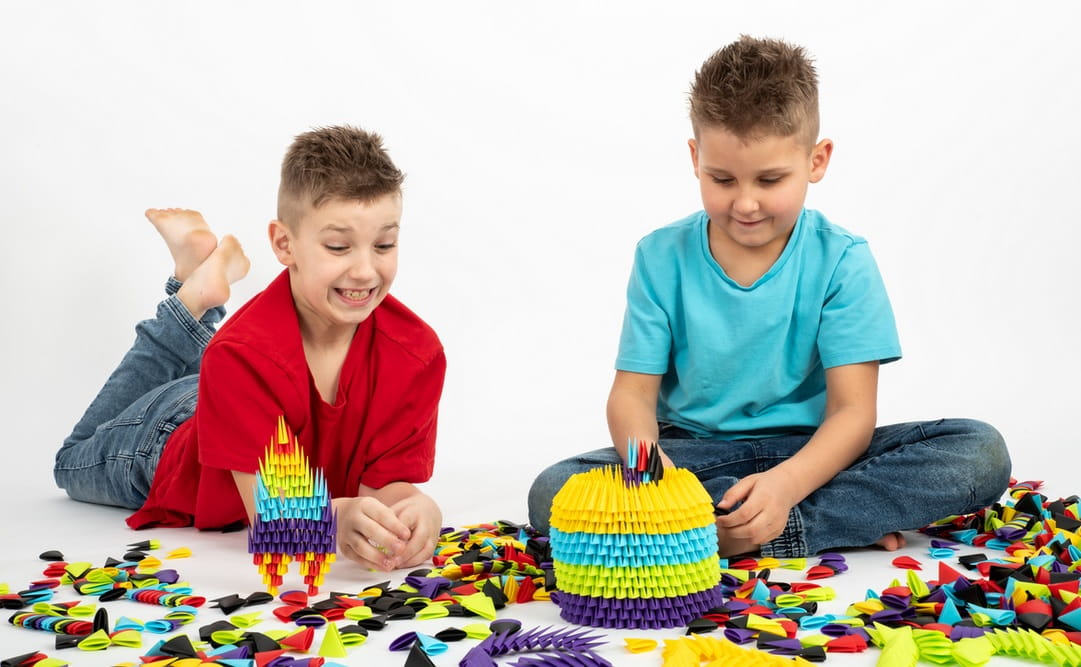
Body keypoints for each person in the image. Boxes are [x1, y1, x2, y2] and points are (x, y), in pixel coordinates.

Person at [527, 36, 1010, 558]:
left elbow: (852, 414)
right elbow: (632, 397)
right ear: (695, 158)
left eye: (770, 179)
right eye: (722, 179)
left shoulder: (842, 259)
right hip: (692, 460)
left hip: (816, 457)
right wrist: (657, 483)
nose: (746, 203)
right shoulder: (660, 256)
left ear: (816, 160)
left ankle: (736, 530)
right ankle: (808, 522)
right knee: (553, 493)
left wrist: (786, 486)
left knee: (980, 451)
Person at [55, 126, 446, 572]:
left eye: (384, 245)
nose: (364, 270)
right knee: (71, 458)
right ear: (284, 244)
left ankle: (198, 279)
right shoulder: (239, 356)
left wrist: (415, 505)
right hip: (165, 437)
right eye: (338, 247)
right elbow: (275, 520)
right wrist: (339, 519)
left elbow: (381, 489)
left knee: (225, 367)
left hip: (233, 396)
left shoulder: (417, 354)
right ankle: (190, 303)